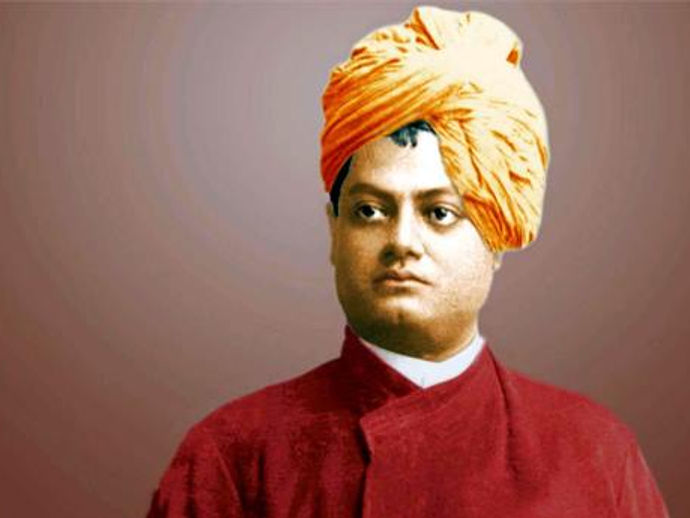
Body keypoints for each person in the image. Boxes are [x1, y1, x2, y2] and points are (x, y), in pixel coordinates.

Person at [145, 6, 669, 517]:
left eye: (439, 213)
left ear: (496, 237)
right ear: (333, 231)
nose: (401, 240)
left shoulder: (594, 453)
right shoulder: (232, 458)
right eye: (370, 211)